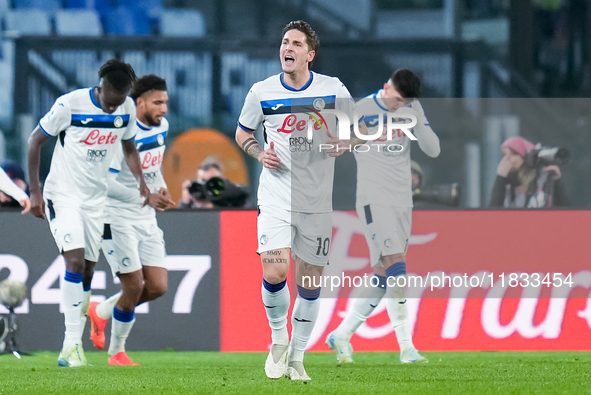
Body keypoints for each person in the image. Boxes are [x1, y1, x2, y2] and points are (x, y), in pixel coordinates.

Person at [235, 20, 366, 381]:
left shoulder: (332, 89)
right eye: (283, 42)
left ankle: (297, 357)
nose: (286, 48)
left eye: (295, 43)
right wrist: (258, 153)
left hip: (316, 201)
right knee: (275, 270)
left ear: (310, 54)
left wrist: (346, 143)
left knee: (309, 282)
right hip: (276, 196)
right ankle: (279, 340)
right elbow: (243, 131)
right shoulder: (261, 91)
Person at [27, 59, 149, 367]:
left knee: (88, 270)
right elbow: (35, 140)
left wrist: (141, 182)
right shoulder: (70, 104)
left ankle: (74, 346)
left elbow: (130, 147)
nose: (113, 107)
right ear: (102, 87)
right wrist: (35, 190)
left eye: (119, 100)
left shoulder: (126, 109)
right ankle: (69, 347)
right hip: (63, 195)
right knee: (76, 261)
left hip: (97, 200)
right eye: (110, 100)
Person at [325, 69, 440, 364]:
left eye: (405, 102)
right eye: (397, 100)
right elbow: (348, 141)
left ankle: (341, 334)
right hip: (373, 199)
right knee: (397, 268)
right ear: (385, 87)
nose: (399, 106)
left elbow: (433, 149)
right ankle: (407, 348)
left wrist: (417, 119)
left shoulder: (411, 108)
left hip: (403, 201)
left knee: (383, 274)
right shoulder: (362, 109)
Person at [87, 75, 175, 366]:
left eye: (166, 102)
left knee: (158, 286)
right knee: (134, 285)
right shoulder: (121, 133)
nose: (164, 108)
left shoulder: (161, 127)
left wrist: (160, 189)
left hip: (145, 217)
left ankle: (101, 310)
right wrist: (145, 197)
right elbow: (104, 183)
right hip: (115, 216)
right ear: (139, 102)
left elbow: (153, 168)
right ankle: (117, 352)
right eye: (157, 102)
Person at [489, 136, 569, 207]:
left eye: (513, 154)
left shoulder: (543, 177)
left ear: (526, 158)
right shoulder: (505, 182)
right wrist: (500, 177)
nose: (507, 159)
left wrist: (557, 182)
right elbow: (493, 213)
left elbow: (565, 209)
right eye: (504, 155)